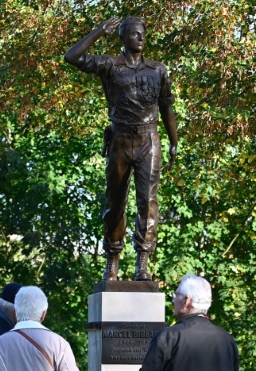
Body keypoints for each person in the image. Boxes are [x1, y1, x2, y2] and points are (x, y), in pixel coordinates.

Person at [64, 16, 178, 282]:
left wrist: (173, 141)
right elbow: (71, 57)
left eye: (143, 34)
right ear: (123, 38)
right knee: (115, 203)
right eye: (135, 34)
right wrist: (98, 32)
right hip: (120, 139)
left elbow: (167, 106)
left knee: (147, 203)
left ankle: (142, 261)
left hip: (149, 141)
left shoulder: (157, 70)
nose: (141, 38)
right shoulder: (110, 65)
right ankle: (112, 260)